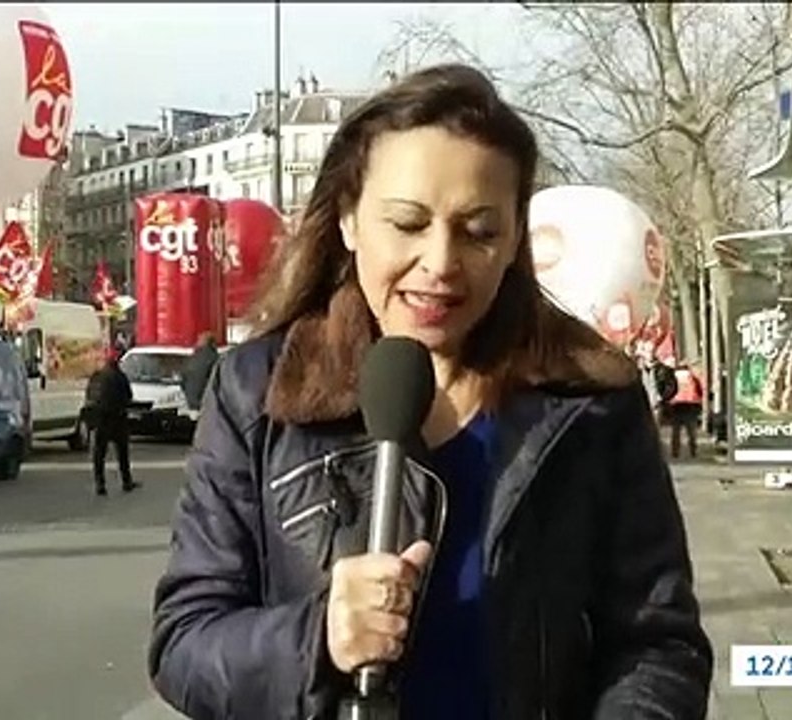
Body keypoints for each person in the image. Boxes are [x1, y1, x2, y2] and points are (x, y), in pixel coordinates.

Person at [149, 64, 712, 719]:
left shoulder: (592, 399)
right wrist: (318, 639)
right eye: (408, 223)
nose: (441, 262)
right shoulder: (260, 390)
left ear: (513, 245)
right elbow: (184, 642)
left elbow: (658, 645)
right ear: (350, 221)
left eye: (479, 231)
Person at [82, 347, 138, 496]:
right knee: (122, 453)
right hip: (118, 418)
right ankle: (126, 481)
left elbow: (89, 396)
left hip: (100, 419)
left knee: (99, 454)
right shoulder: (120, 377)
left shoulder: (97, 376)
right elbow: (128, 396)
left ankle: (100, 484)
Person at [666, 362, 705, 460]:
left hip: (676, 405)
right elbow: (700, 391)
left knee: (676, 431)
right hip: (690, 405)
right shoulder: (692, 377)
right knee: (691, 431)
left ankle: (675, 452)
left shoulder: (674, 377)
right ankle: (693, 451)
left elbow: (668, 390)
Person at [179, 332, 219, 412]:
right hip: (209, 403)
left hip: (191, 402)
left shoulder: (192, 359)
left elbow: (183, 378)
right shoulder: (215, 358)